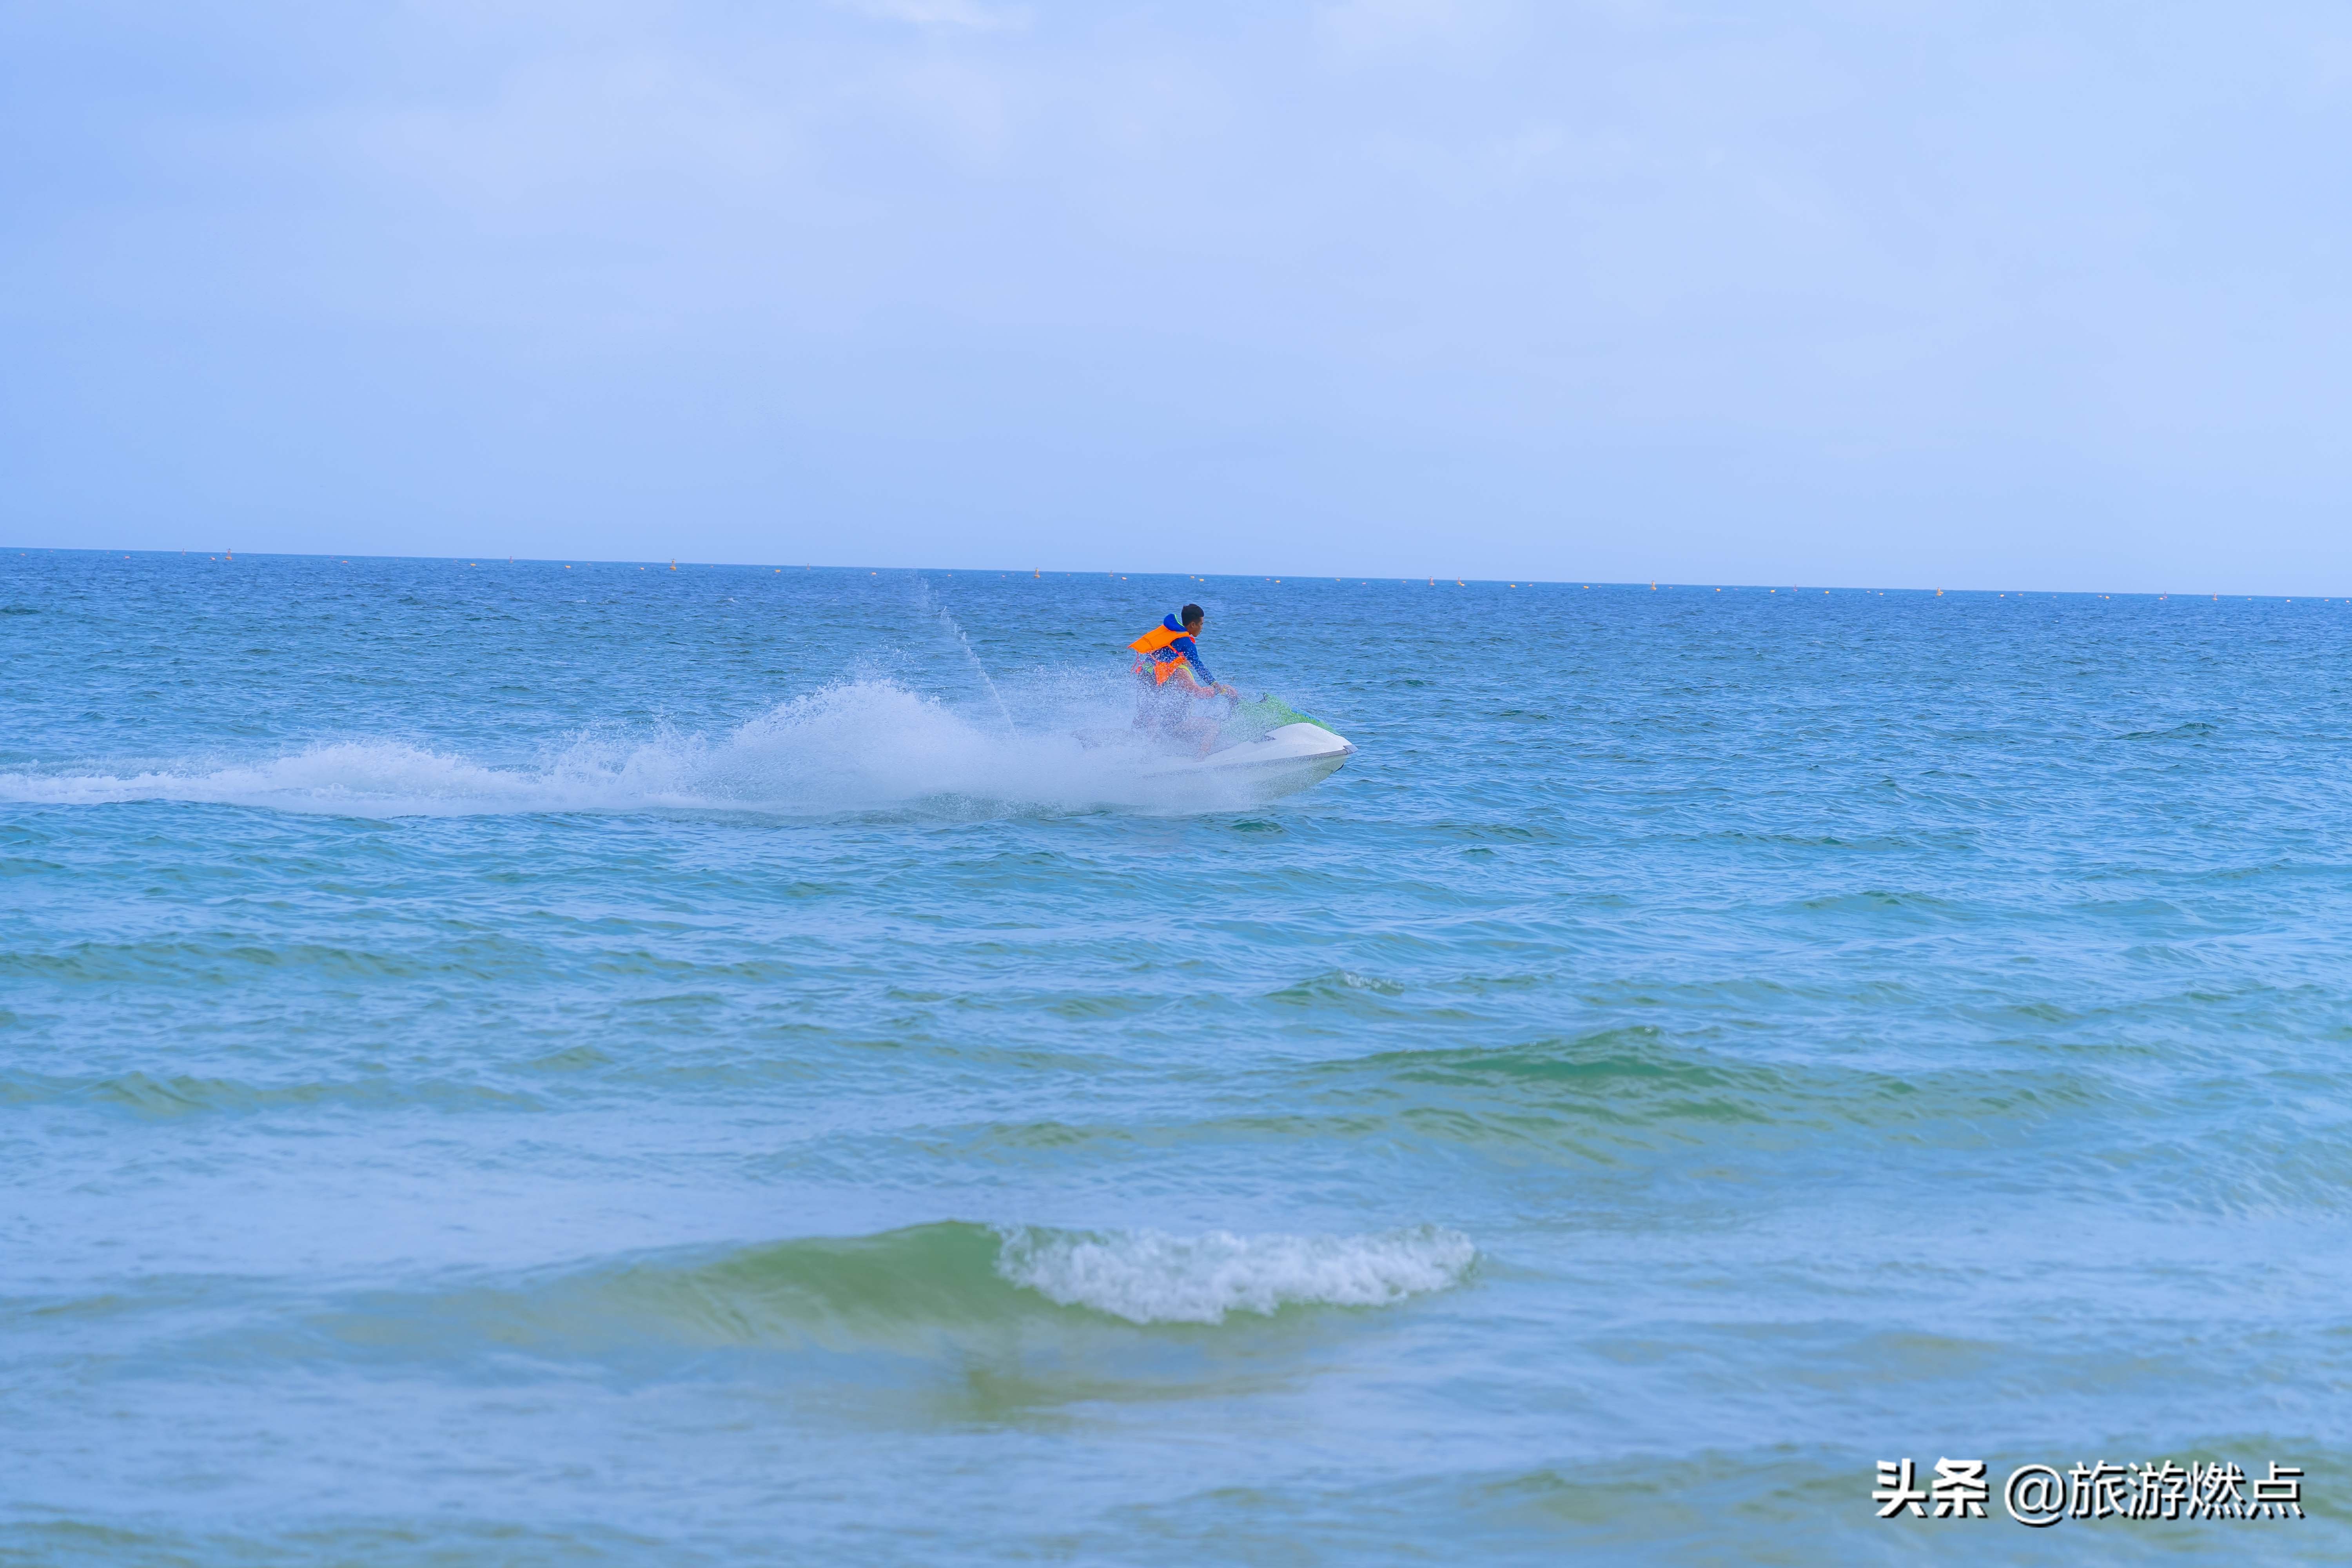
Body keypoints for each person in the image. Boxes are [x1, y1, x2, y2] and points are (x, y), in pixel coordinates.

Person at [1130, 603, 1239, 746]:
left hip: (1145, 672)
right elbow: (1200, 667)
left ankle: (1133, 739)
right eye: (1201, 624)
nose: (1202, 628)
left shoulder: (1172, 633)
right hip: (1155, 676)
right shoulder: (1186, 642)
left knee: (1145, 711)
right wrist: (1218, 687)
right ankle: (1148, 749)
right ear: (1193, 625)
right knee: (1152, 715)